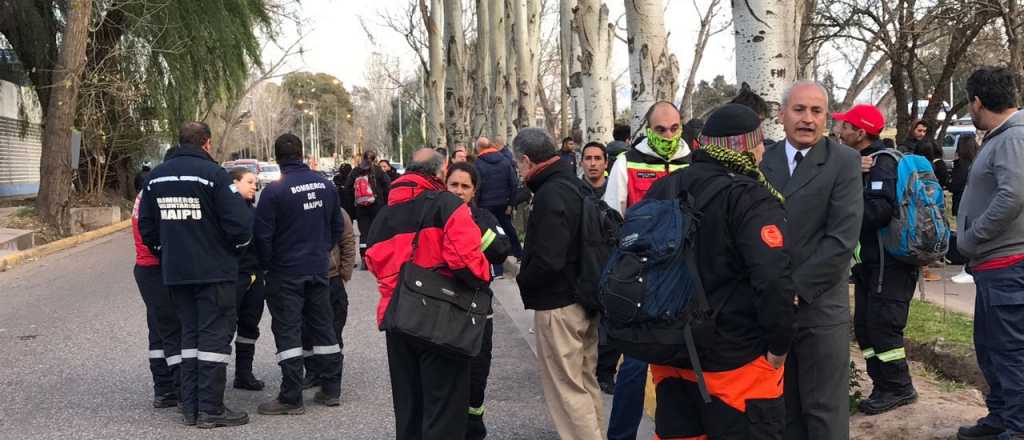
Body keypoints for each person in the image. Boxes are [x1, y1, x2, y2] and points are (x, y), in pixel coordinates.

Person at [645, 103, 796, 440]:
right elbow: (773, 279)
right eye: (759, 144)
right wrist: (779, 347)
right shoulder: (750, 197)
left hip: (670, 356)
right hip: (736, 362)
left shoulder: (664, 187)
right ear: (749, 147)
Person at [759, 81, 862, 440]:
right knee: (781, 410)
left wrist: (795, 290)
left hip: (819, 307)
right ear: (782, 114)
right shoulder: (763, 160)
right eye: (799, 110)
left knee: (824, 414)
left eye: (816, 111)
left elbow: (841, 240)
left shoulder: (844, 162)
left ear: (827, 117)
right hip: (770, 308)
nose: (808, 119)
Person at [365, 148, 491, 440]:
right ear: (440, 172)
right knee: (443, 411)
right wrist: (483, 275)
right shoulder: (447, 205)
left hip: (398, 316)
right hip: (441, 318)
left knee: (409, 408)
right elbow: (465, 260)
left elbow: (373, 260)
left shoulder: (385, 213)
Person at [138, 122, 253, 428]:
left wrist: (167, 252)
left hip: (176, 272)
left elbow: (147, 227)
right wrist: (234, 251)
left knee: (189, 336)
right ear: (206, 143)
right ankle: (211, 409)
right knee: (215, 338)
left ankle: (191, 407)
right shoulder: (214, 175)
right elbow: (240, 225)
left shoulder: (155, 178)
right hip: (214, 271)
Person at [603, 101, 691, 440]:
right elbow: (611, 219)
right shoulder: (628, 162)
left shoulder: (692, 161)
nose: (668, 135)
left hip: (685, 279)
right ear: (647, 128)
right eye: (660, 129)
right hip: (643, 279)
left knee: (684, 365)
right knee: (635, 365)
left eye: (673, 128)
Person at [514, 127, 603, 440]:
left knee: (567, 391)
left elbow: (549, 258)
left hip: (559, 304)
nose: (518, 171)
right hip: (585, 297)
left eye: (517, 164)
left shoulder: (551, 193)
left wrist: (524, 278)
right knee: (585, 382)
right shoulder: (574, 184)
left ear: (526, 160)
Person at [834, 104, 920, 414]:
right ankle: (883, 384)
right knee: (867, 326)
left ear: (860, 133)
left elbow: (878, 212)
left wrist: (843, 208)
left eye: (845, 127)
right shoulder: (864, 163)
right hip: (873, 264)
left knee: (884, 327)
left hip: (890, 265)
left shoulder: (881, 164)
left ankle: (899, 387)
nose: (839, 131)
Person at [955, 66, 1024, 440]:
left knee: (1012, 355)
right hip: (994, 267)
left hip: (1008, 266)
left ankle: (1017, 429)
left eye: (969, 102)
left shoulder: (1013, 138)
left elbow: (1012, 196)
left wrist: (971, 238)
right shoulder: (1002, 137)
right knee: (992, 350)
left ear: (978, 101)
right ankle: (1000, 418)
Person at [254, 133, 344, 415]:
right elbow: (337, 227)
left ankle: (291, 397)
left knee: (288, 330)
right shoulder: (326, 185)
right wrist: (320, 250)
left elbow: (262, 237)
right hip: (319, 269)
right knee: (323, 326)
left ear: (277, 158)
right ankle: (331, 389)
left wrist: (269, 264)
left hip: (285, 273)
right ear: (302, 154)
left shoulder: (274, 192)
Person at [445, 161, 513, 440]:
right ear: (444, 185)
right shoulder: (431, 214)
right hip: (442, 306)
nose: (459, 191)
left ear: (474, 191)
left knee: (477, 370)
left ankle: (474, 424)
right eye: (454, 185)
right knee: (446, 372)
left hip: (477, 307)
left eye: (465, 186)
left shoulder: (484, 217)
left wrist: (467, 228)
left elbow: (501, 249)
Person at [132, 149, 181, 410]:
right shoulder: (153, 195)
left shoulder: (144, 195)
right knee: (172, 330)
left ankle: (164, 389)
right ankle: (179, 389)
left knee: (158, 329)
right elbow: (156, 236)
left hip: (146, 269)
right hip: (156, 268)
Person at [303, 201, 356, 391]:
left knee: (334, 327)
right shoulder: (297, 208)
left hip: (332, 279)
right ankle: (312, 372)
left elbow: (348, 241)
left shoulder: (338, 212)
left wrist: (344, 274)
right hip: (306, 278)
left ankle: (331, 372)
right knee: (306, 329)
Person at [226, 167, 266, 392]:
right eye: (250, 182)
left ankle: (244, 374)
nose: (254, 186)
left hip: (255, 275)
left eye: (255, 182)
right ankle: (215, 378)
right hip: (234, 276)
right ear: (234, 183)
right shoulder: (227, 210)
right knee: (225, 326)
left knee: (250, 325)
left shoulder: (253, 210)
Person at [475, 136, 523, 278]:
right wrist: (511, 203)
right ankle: (519, 254)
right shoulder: (504, 160)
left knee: (489, 236)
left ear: (479, 148)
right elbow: (513, 183)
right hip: (503, 203)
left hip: (486, 205)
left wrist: (477, 206)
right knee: (508, 228)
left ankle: (497, 270)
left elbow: (478, 187)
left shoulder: (478, 163)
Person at [345, 150, 392, 266]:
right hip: (377, 206)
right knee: (378, 231)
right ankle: (378, 258)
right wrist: (385, 202)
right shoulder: (378, 170)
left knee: (364, 233)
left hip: (361, 207)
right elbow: (388, 186)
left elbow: (347, 188)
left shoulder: (355, 171)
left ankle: (364, 258)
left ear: (363, 158)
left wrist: (354, 201)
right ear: (374, 159)